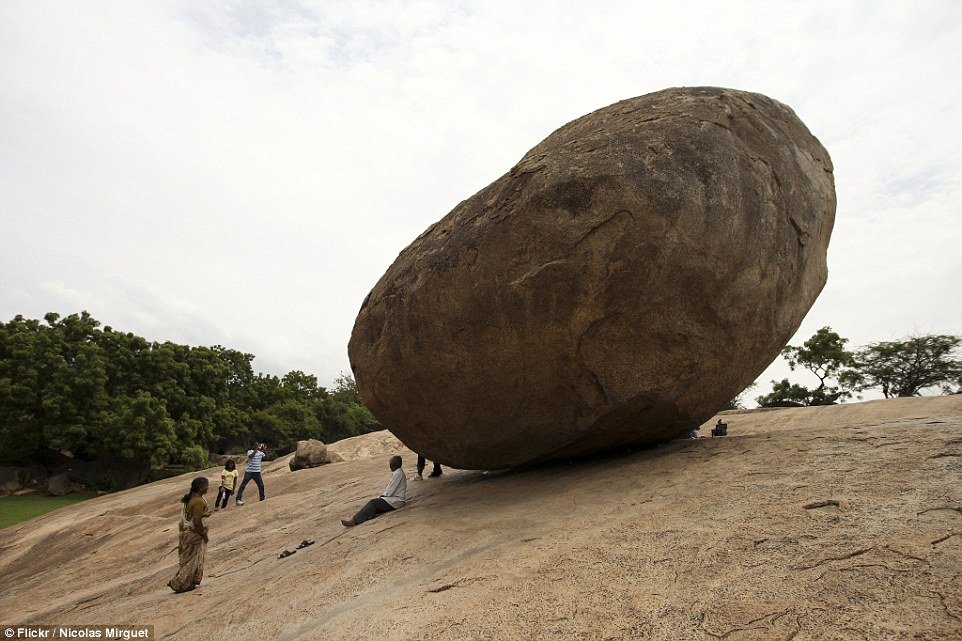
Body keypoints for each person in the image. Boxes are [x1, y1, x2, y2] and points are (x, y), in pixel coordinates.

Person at [168, 476, 211, 593]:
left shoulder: (192, 498)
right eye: (207, 485)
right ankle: (180, 583)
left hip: (187, 534)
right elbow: (197, 521)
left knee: (188, 558)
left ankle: (187, 582)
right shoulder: (197, 502)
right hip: (194, 535)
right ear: (201, 488)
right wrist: (204, 534)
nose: (208, 487)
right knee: (192, 560)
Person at [341, 455, 406, 527]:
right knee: (374, 506)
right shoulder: (398, 472)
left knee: (373, 503)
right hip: (393, 499)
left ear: (394, 464)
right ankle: (364, 517)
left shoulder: (398, 473)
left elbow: (390, 490)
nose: (389, 466)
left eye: (390, 463)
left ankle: (354, 521)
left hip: (396, 500)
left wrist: (382, 496)